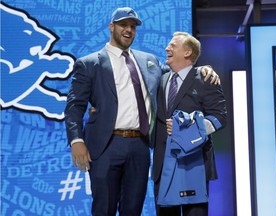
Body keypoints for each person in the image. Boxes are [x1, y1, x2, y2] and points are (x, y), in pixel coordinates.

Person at [64, 7, 219, 216]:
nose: (128, 30)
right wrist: (76, 141)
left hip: (140, 146)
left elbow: (181, 74)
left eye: (133, 26)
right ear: (111, 27)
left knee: (133, 208)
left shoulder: (150, 61)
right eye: (123, 25)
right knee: (104, 208)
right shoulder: (89, 63)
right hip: (104, 145)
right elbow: (74, 106)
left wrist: (201, 69)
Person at [152, 32, 227, 216]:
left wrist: (186, 131)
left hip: (194, 163)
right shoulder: (161, 79)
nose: (166, 49)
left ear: (187, 52)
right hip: (163, 164)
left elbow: (220, 117)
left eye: (172, 46)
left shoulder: (205, 79)